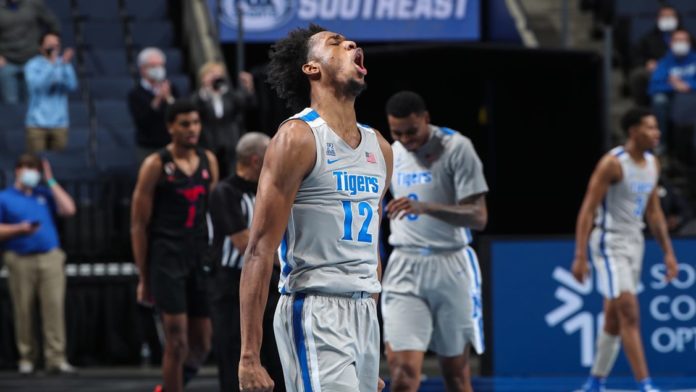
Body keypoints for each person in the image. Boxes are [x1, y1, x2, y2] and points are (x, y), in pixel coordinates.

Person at [238, 24, 392, 392]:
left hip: (363, 315)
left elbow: (370, 252)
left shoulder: (381, 147)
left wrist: (367, 345)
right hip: (315, 309)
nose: (352, 43)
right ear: (312, 68)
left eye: (350, 41)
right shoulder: (297, 138)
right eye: (335, 44)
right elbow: (259, 248)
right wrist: (249, 356)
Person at [380, 91, 488, 392]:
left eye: (411, 131)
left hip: (451, 263)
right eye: (397, 132)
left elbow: (479, 217)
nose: (404, 139)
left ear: (426, 119)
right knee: (402, 374)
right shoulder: (393, 151)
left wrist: (427, 208)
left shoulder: (457, 147)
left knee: (455, 374)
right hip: (404, 264)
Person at [571, 107, 679, 392]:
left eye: (657, 127)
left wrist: (668, 252)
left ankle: (595, 381)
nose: (656, 133)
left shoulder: (652, 164)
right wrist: (580, 255)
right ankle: (646, 383)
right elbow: (587, 210)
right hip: (609, 243)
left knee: (613, 318)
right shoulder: (612, 164)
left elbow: (654, 213)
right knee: (629, 312)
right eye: (650, 127)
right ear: (633, 131)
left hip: (635, 243)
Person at [130, 100, 218, 392]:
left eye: (195, 123)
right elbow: (138, 225)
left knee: (203, 343)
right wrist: (144, 277)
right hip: (167, 258)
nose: (192, 129)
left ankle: (168, 388)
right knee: (177, 341)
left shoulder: (208, 160)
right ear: (171, 127)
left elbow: (213, 213)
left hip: (199, 256)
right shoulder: (155, 164)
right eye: (184, 124)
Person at [208, 132, 285, 392]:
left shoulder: (269, 190)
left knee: (277, 360)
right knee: (234, 361)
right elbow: (245, 244)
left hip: (270, 283)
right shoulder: (224, 192)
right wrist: (289, 263)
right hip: (232, 288)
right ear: (255, 160)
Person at [0, 154, 76, 375]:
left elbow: (69, 209)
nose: (31, 172)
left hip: (50, 258)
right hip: (20, 258)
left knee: (54, 308)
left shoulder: (44, 195)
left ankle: (56, 358)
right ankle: (27, 357)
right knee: (23, 309)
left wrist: (50, 180)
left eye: (35, 169)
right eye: (27, 168)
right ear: (17, 170)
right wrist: (19, 229)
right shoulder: (5, 197)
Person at [192, 61, 256, 178]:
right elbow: (194, 109)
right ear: (203, 77)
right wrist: (207, 91)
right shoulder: (200, 97)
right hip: (208, 145)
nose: (216, 77)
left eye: (219, 74)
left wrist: (248, 88)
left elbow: (249, 105)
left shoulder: (230, 96)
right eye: (211, 73)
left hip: (230, 146)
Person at [23, 31, 77, 153]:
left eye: (56, 45)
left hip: (60, 123)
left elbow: (72, 86)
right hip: (36, 123)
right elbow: (37, 86)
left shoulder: (64, 64)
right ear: (41, 47)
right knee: (36, 161)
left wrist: (64, 65)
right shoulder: (32, 65)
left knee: (59, 163)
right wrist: (52, 66)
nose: (53, 48)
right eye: (49, 45)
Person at [0, 0, 59, 104]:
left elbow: (53, 24)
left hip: (32, 60)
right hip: (7, 61)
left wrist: (51, 39)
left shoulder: (34, 3)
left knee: (33, 102)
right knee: (10, 104)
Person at [647, 29, 696, 152]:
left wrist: (688, 85)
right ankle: (661, 143)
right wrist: (674, 86)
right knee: (659, 100)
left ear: (690, 43)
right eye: (677, 40)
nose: (680, 43)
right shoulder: (665, 62)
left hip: (692, 95)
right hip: (672, 97)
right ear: (670, 43)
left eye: (683, 40)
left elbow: (686, 85)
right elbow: (653, 86)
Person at [128, 47, 180, 164]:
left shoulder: (172, 88)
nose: (158, 69)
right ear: (142, 69)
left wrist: (168, 98)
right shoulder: (136, 94)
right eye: (153, 66)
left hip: (171, 144)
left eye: (160, 65)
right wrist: (157, 99)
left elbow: (179, 113)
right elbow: (142, 121)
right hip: (148, 147)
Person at [630, 5, 680, 106]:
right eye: (664, 17)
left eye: (671, 17)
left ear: (677, 19)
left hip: (683, 71)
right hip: (657, 72)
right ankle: (643, 111)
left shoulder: (687, 37)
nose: (668, 19)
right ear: (658, 19)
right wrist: (647, 63)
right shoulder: (647, 39)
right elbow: (637, 57)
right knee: (638, 75)